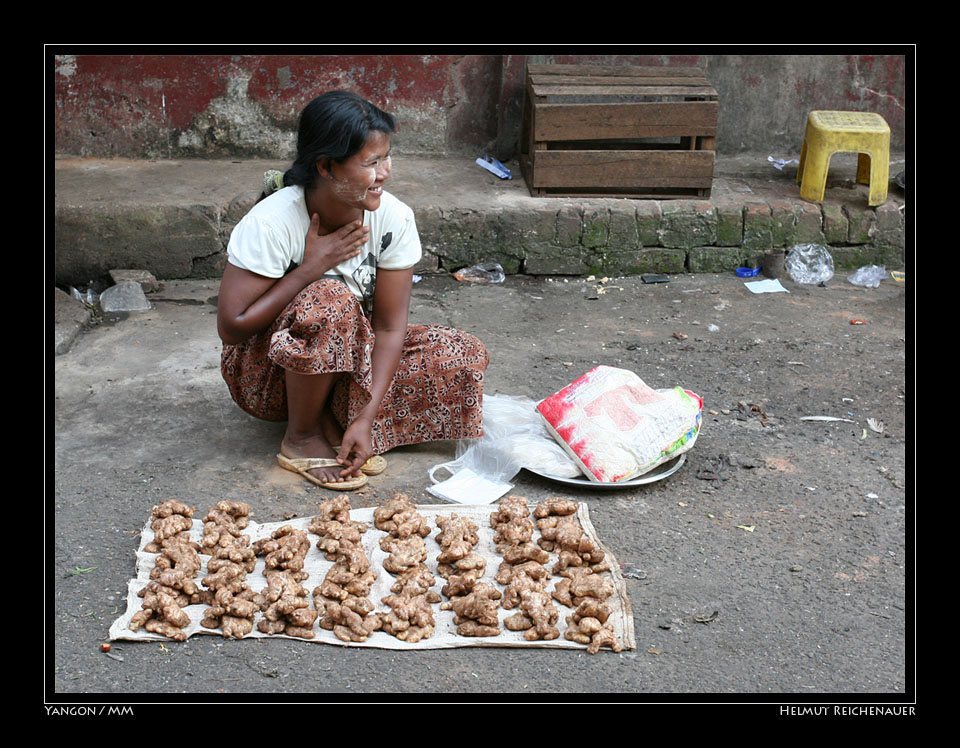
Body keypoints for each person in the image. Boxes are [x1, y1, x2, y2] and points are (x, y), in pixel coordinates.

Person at [217, 91, 489, 490]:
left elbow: (390, 328)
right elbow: (231, 328)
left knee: (462, 355)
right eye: (372, 163)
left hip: (347, 367)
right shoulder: (273, 222)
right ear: (327, 166)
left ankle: (345, 423)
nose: (385, 172)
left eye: (387, 157)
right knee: (331, 298)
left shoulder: (394, 218)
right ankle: (302, 434)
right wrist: (310, 269)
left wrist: (366, 415)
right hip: (265, 377)